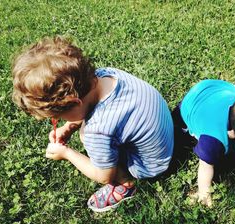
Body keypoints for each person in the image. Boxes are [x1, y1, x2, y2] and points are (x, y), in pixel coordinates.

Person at [12, 36, 174, 212]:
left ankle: (124, 185)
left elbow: (103, 176)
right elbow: (95, 110)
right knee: (86, 128)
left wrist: (66, 153)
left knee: (86, 135)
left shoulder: (97, 130)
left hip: (150, 164)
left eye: (59, 117)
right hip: (165, 133)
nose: (58, 121)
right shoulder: (107, 75)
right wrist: (69, 126)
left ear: (75, 103)